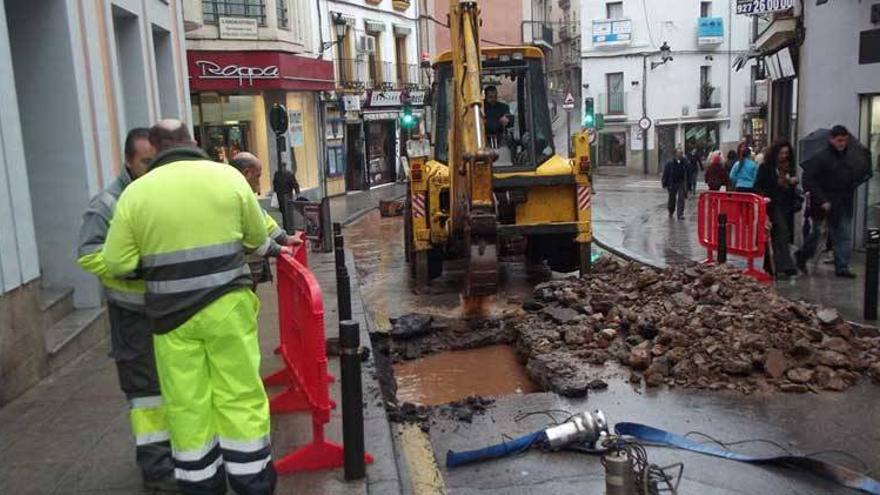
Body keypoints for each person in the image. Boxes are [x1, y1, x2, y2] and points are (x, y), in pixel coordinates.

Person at [102, 120, 284, 494]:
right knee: (240, 395)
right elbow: (256, 237)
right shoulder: (227, 178)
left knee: (187, 403)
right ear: (193, 141)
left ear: (156, 147)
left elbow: (116, 262)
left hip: (171, 319)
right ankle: (253, 481)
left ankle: (202, 483)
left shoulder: (136, 194)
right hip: (228, 310)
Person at [76, 128, 176, 491]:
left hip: (166, 310)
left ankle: (176, 457)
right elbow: (88, 254)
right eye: (145, 162)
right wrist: (133, 267)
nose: (151, 168)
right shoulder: (107, 203)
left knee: (172, 388)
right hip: (132, 316)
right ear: (129, 162)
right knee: (147, 395)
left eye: (156, 160)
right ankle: (157, 470)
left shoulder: (158, 193)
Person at [797, 125, 872, 278]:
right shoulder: (822, 157)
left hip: (842, 201)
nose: (842, 143)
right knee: (818, 234)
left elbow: (851, 178)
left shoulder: (850, 158)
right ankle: (802, 255)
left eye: (844, 140)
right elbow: (809, 179)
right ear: (832, 140)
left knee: (842, 234)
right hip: (825, 204)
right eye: (839, 140)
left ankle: (842, 266)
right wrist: (822, 199)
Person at [230, 152, 302, 288]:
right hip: (240, 272)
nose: (258, 185)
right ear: (247, 173)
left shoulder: (240, 192)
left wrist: (285, 238)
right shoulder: (235, 194)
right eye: (258, 176)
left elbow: (262, 218)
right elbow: (255, 237)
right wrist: (278, 249)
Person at [755, 140, 800, 278]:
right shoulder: (766, 167)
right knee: (781, 231)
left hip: (786, 204)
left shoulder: (788, 168)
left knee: (778, 235)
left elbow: (791, 189)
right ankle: (785, 265)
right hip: (772, 204)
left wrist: (791, 182)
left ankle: (772, 265)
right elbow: (758, 185)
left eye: (786, 153)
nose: (783, 156)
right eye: (781, 153)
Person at [662, 148, 689, 220]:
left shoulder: (684, 162)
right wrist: (664, 183)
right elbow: (665, 173)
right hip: (672, 183)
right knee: (672, 199)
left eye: (681, 153)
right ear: (675, 154)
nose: (681, 154)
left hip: (681, 182)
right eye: (679, 153)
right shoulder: (670, 163)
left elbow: (688, 170)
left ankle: (680, 214)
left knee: (681, 199)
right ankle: (671, 211)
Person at [273, 162, 299, 228]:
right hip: (285, 195)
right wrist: (297, 193)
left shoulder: (279, 174)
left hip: (283, 195)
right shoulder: (287, 174)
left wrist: (297, 192)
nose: (283, 168)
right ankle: (289, 227)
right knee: (287, 212)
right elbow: (295, 184)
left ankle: (287, 227)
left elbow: (275, 184)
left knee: (286, 212)